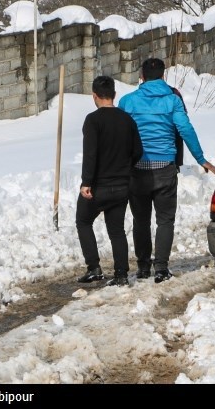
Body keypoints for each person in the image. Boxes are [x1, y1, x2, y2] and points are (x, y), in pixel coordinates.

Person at [118, 58, 215, 283]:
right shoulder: (172, 101)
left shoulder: (127, 101)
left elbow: (120, 134)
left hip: (137, 169)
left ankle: (143, 267)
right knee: (165, 220)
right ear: (163, 76)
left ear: (141, 77)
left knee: (140, 220)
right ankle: (162, 268)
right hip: (164, 167)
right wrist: (201, 159)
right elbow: (185, 129)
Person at [76, 75, 143, 287]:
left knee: (83, 221)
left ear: (94, 96)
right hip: (122, 186)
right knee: (116, 231)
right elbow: (138, 151)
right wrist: (125, 168)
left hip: (98, 186)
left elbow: (91, 154)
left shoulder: (93, 120)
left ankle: (94, 268)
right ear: (114, 95)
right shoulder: (127, 119)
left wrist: (86, 182)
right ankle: (121, 274)